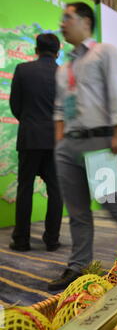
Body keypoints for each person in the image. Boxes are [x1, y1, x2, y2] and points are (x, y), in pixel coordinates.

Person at [48, 2, 117, 291]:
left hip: (102, 141)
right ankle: (78, 267)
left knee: (116, 205)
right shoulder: (64, 68)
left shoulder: (105, 52)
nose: (62, 23)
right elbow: (60, 108)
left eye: (68, 18)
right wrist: (59, 142)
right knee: (77, 213)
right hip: (68, 146)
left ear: (86, 21)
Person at [9, 33, 63, 252]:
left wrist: (31, 123)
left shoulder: (23, 70)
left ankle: (21, 241)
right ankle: (52, 240)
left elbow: (15, 105)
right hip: (56, 141)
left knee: (24, 190)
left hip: (30, 137)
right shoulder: (65, 75)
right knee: (56, 191)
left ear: (36, 49)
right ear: (58, 51)